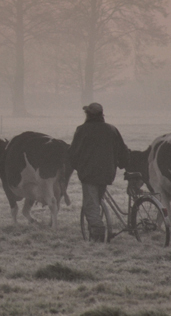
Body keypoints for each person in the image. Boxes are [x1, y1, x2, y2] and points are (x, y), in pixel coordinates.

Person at [69, 102, 130, 242]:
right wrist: (123, 165)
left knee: (91, 204)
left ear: (88, 115)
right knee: (97, 200)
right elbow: (122, 151)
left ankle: (98, 236)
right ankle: (98, 230)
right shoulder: (111, 129)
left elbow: (73, 153)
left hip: (89, 174)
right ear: (102, 114)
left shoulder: (82, 130)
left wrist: (78, 166)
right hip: (107, 173)